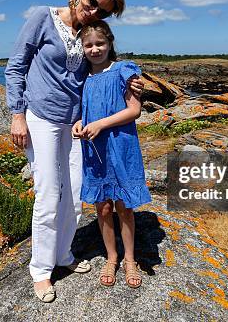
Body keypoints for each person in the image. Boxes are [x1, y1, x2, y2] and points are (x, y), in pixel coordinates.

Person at [4, 0, 143, 303]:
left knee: (77, 192)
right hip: (41, 118)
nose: (94, 11)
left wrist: (134, 83)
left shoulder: (87, 35)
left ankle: (64, 254)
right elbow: (16, 66)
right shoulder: (43, 16)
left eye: (103, 12)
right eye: (92, 2)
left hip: (75, 124)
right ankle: (41, 270)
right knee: (49, 194)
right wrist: (18, 114)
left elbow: (99, 72)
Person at [72, 20, 152, 289]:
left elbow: (134, 110)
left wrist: (100, 124)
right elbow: (85, 110)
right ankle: (111, 257)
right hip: (95, 149)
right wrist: (80, 122)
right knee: (103, 207)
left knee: (123, 206)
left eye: (100, 44)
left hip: (121, 146)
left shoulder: (123, 71)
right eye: (89, 45)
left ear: (110, 44)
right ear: (82, 48)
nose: (94, 49)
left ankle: (130, 259)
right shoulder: (85, 78)